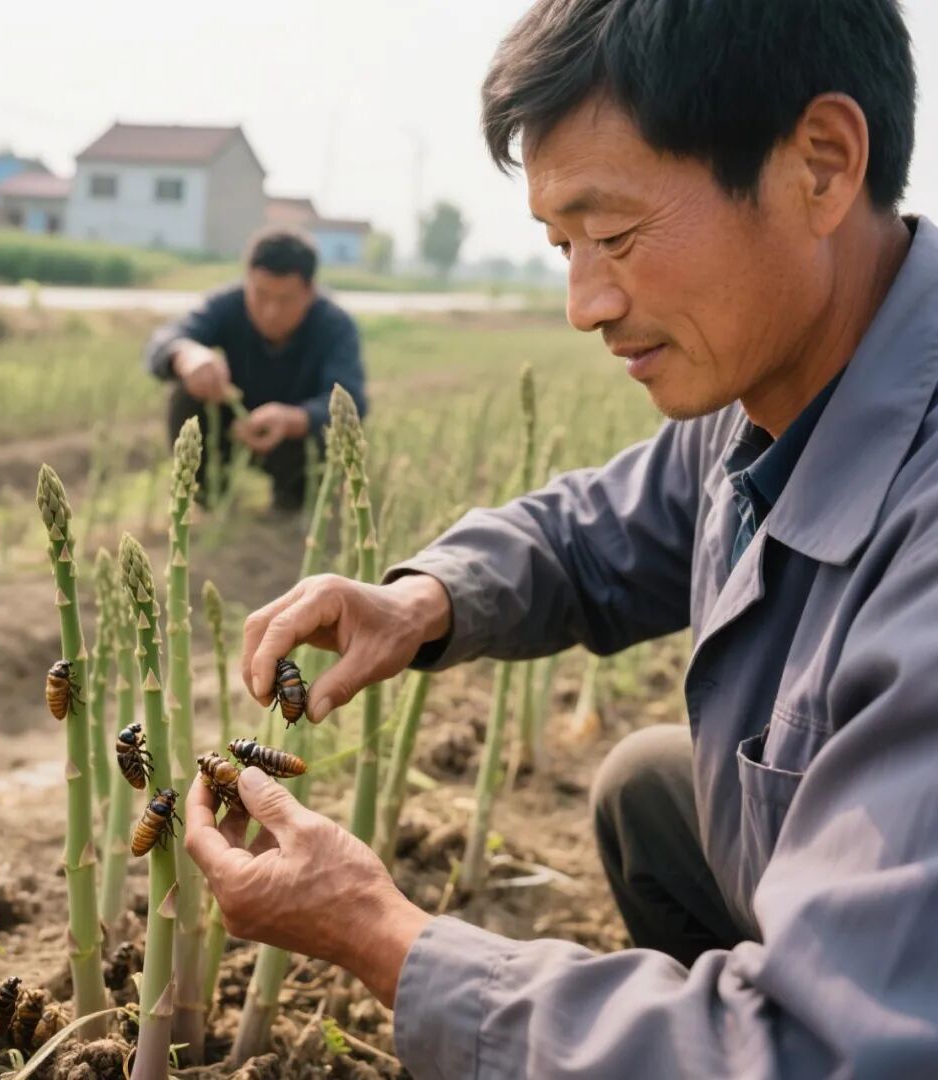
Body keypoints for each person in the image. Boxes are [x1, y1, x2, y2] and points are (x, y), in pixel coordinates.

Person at [186, 0, 938, 1076]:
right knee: (651, 791)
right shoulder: (776, 387)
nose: (585, 304)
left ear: (820, 165)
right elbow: (601, 529)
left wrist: (381, 937)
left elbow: (829, 1052)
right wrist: (423, 599)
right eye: (563, 246)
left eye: (616, 235)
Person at [144, 229, 367, 511]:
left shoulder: (335, 325)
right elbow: (164, 340)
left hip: (292, 442)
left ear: (309, 292)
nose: (270, 311)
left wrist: (293, 419)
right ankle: (205, 497)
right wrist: (186, 355)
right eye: (260, 295)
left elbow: (353, 400)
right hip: (229, 428)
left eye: (285, 299)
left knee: (322, 440)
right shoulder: (226, 304)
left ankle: (293, 504)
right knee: (183, 390)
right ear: (246, 279)